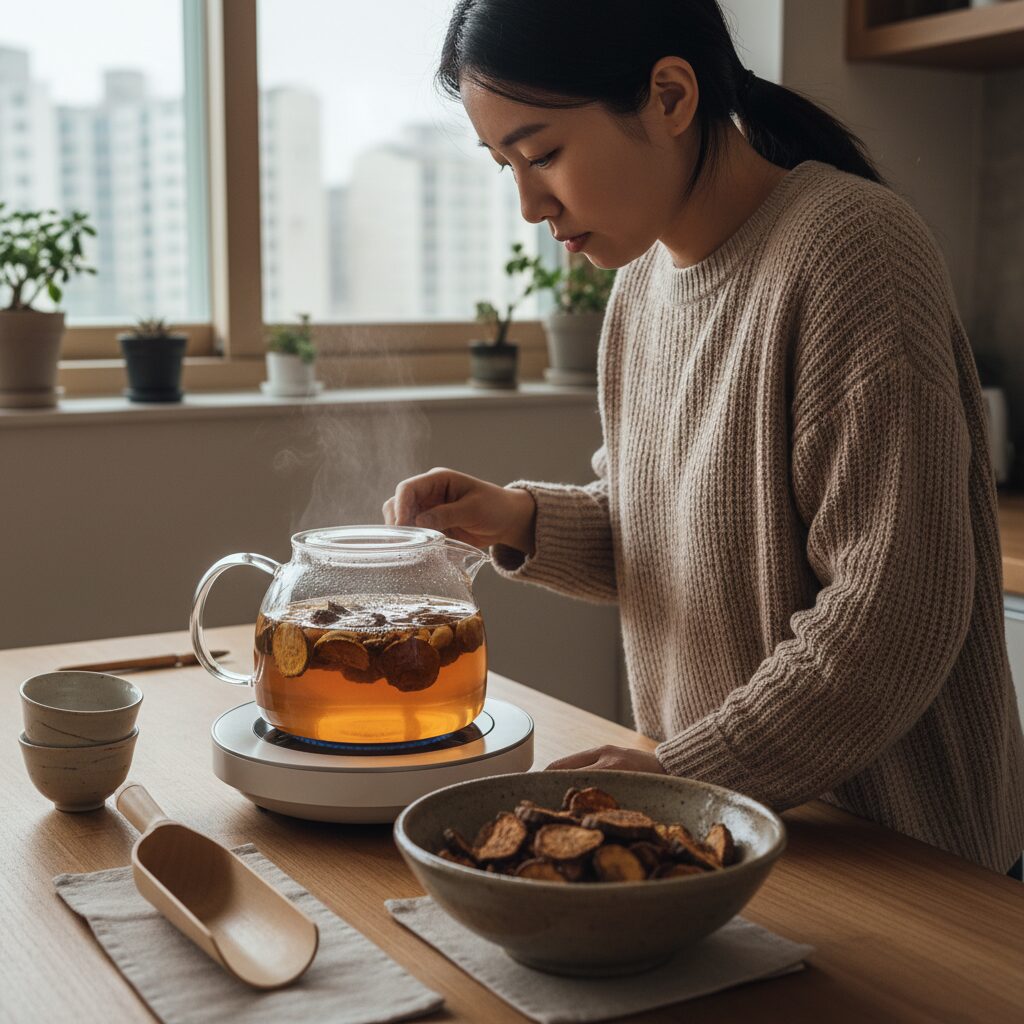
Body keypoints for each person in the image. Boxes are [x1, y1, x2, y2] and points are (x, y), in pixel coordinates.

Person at [384, 0, 1024, 878]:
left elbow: (895, 614)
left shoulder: (853, 251)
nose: (530, 205)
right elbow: (674, 533)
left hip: (902, 860)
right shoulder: (638, 289)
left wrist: (689, 776)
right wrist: (519, 519)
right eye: (506, 167)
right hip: (731, 836)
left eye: (543, 155)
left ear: (670, 97)